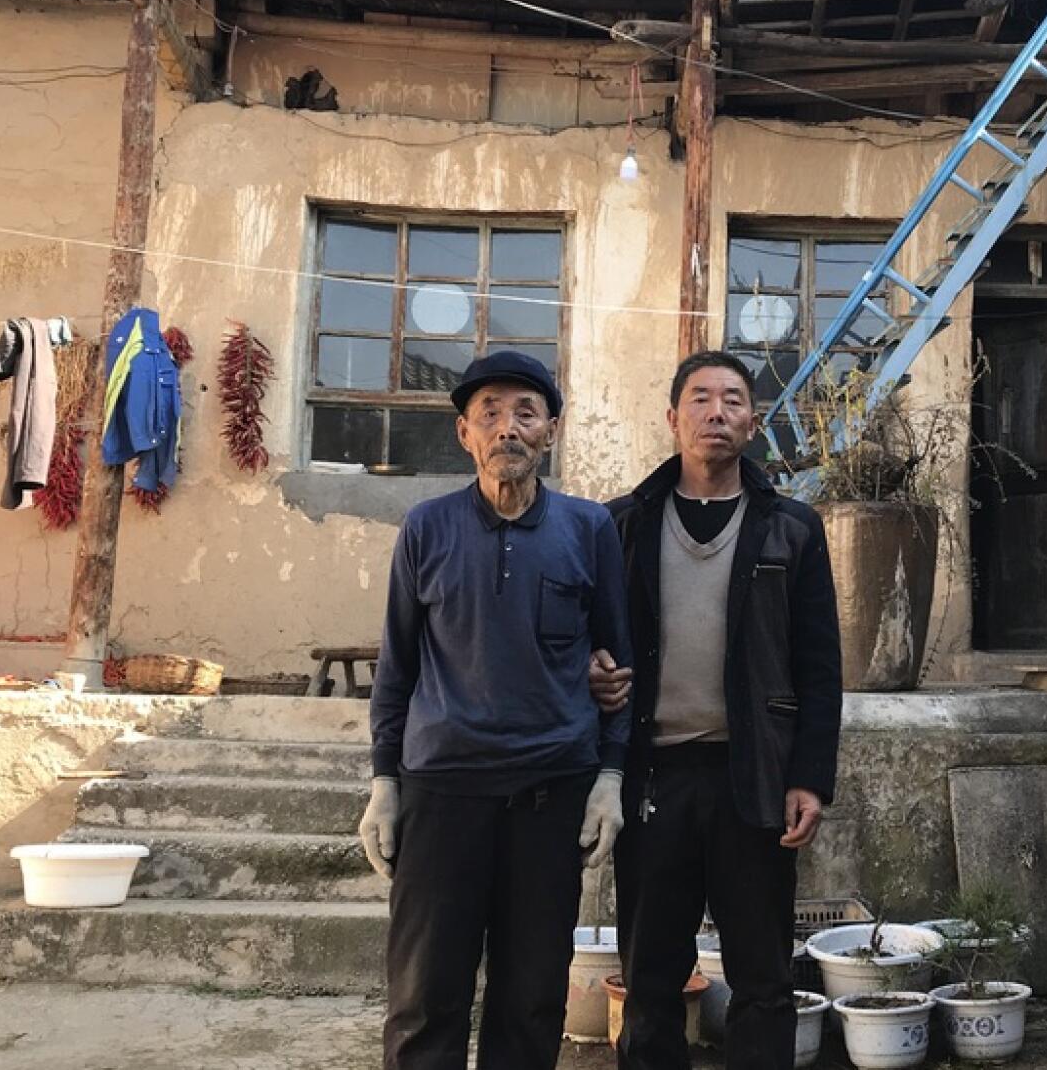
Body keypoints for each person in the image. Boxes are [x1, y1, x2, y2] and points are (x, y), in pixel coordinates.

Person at [358, 350, 631, 1070]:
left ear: (550, 431)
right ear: (464, 434)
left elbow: (618, 661)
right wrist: (385, 781)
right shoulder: (426, 527)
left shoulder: (589, 528)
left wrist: (610, 774)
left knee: (532, 995)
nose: (507, 427)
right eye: (490, 413)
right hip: (443, 791)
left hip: (550, 794)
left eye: (525, 412)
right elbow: (398, 664)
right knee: (424, 997)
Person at [590, 349, 842, 1070]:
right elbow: (586, 637)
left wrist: (810, 776)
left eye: (733, 400)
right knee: (650, 977)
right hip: (654, 778)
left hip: (753, 776)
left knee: (763, 978)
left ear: (753, 423)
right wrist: (590, 672)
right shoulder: (622, 525)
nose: (716, 412)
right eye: (699, 399)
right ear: (672, 418)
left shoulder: (790, 528)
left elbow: (821, 666)